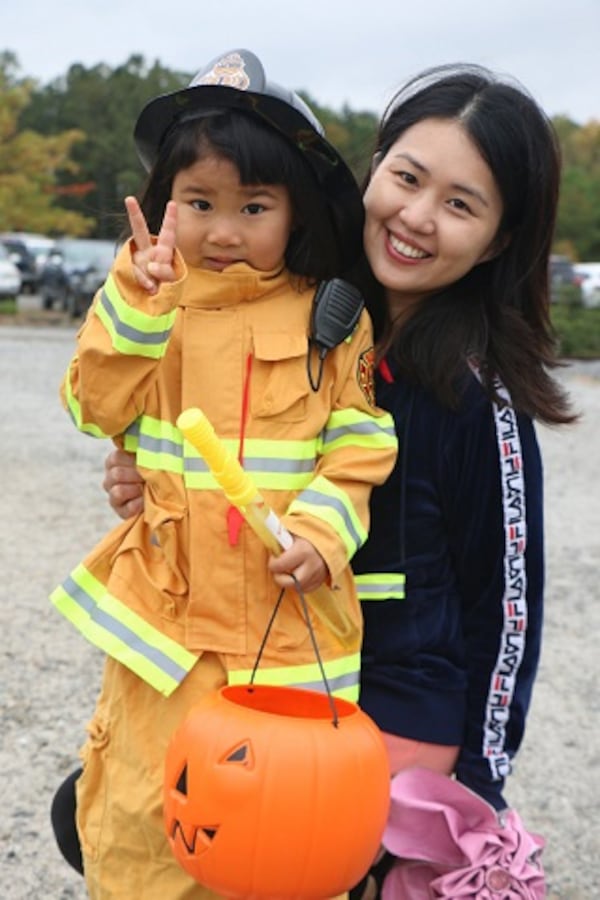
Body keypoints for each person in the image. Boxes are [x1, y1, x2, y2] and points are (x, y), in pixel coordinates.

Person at [103, 62, 576, 899]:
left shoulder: (473, 396)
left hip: (386, 728)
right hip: (259, 694)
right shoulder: (305, 317)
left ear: (500, 238)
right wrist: (142, 470)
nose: (417, 218)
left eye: (461, 204)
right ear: (373, 170)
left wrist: (477, 787)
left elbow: (505, 611)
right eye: (406, 178)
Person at [49, 48, 398, 899]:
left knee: (277, 840)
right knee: (142, 807)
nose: (225, 229)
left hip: (285, 631)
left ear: (295, 210)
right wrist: (135, 300)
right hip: (165, 626)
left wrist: (322, 532)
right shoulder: (143, 295)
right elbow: (94, 405)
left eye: (254, 205)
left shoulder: (330, 316)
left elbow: (359, 444)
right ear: (166, 205)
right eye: (199, 203)